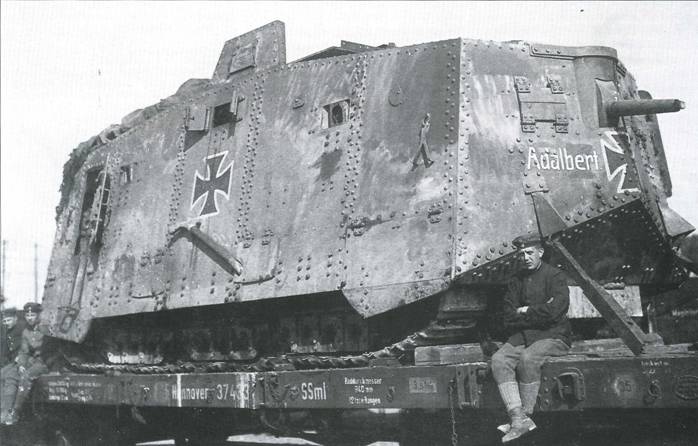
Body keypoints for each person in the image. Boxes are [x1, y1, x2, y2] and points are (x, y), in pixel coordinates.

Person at [490, 233, 571, 442]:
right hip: (525, 335)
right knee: (499, 360)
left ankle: (524, 418)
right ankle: (517, 418)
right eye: (522, 254)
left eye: (529, 252)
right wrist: (539, 311)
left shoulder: (555, 276)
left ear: (540, 252)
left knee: (528, 359)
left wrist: (525, 310)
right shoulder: (516, 280)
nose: (525, 257)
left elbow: (556, 311)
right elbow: (508, 315)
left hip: (554, 335)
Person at [0, 302, 49, 425]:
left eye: (33, 315)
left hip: (45, 362)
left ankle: (15, 412)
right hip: (32, 361)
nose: (29, 318)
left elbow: (51, 351)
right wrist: (21, 364)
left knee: (26, 376)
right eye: (27, 315)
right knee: (11, 374)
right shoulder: (26, 331)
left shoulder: (47, 329)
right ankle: (5, 412)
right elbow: (24, 351)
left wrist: (33, 364)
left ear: (39, 315)